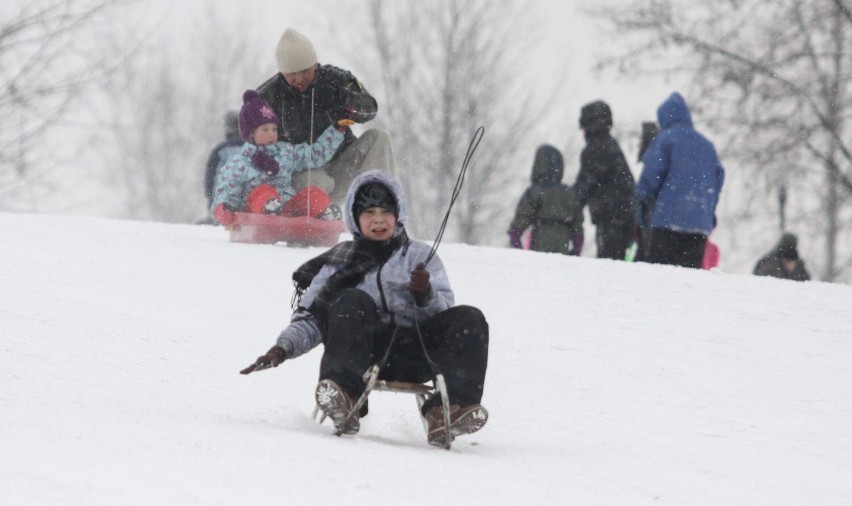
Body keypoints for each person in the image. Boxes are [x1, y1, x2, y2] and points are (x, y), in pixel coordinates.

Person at [239, 170, 489, 448]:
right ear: (355, 219)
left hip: (419, 353)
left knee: (470, 318)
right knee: (349, 300)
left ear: (398, 214)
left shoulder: (420, 256)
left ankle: (448, 410)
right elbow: (312, 317)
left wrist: (426, 294)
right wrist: (283, 348)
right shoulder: (339, 262)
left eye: (385, 211)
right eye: (369, 212)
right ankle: (344, 396)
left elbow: (445, 314)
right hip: (364, 354)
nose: (379, 219)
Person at [257, 28, 396, 204]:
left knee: (379, 138)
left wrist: (341, 97)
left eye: (305, 71)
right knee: (319, 182)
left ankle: (378, 210)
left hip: (343, 166)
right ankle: (318, 226)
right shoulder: (266, 97)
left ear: (315, 64)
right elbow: (252, 144)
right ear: (282, 72)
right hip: (301, 175)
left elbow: (370, 109)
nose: (299, 78)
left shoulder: (337, 79)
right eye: (292, 74)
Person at [210, 90, 344, 227]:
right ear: (251, 134)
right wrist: (226, 210)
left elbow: (316, 155)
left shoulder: (285, 152)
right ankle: (269, 211)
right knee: (263, 191)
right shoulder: (240, 162)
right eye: (265, 130)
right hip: (254, 212)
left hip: (287, 207)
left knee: (312, 193)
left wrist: (336, 130)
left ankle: (325, 213)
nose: (271, 134)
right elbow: (226, 191)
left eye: (274, 129)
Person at [636, 92, 725, 268]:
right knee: (687, 281)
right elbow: (718, 180)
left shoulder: (665, 140)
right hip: (699, 226)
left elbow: (651, 175)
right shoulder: (707, 146)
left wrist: (642, 203)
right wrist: (709, 211)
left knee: (659, 277)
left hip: (667, 222)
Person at [574, 100, 636, 260]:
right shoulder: (610, 145)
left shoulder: (596, 149)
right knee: (618, 263)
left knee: (608, 265)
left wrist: (564, 206)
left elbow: (585, 184)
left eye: (583, 126)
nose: (582, 131)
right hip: (626, 216)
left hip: (611, 218)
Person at [507, 145, 584, 255]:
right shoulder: (569, 194)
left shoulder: (535, 192)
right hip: (562, 248)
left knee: (540, 271)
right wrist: (576, 249)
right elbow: (577, 227)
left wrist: (517, 243)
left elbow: (520, 222)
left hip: (539, 245)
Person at [203, 111, 242, 210]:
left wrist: (209, 192)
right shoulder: (250, 147)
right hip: (244, 194)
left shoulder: (220, 150)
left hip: (222, 195)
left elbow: (211, 171)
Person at [632, 121, 659, 262]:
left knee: (645, 258)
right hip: (650, 219)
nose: (638, 144)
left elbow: (644, 194)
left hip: (648, 219)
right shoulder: (658, 157)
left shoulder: (651, 162)